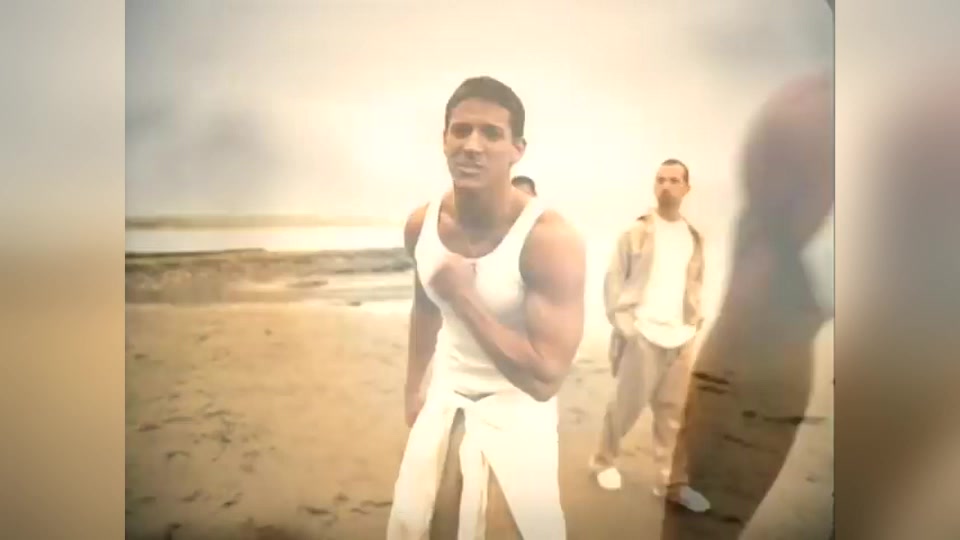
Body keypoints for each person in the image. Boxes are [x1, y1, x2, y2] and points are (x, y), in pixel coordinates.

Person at [386, 76, 586, 540]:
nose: (472, 146)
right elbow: (425, 306)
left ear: (518, 149)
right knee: (422, 524)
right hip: (446, 395)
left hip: (516, 410)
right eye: (461, 130)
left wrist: (465, 299)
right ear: (444, 140)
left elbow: (544, 379)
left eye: (491, 134)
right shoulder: (422, 224)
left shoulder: (548, 239)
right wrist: (414, 388)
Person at [589, 158, 712, 513]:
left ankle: (669, 483)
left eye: (674, 180)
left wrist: (694, 323)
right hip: (642, 333)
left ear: (687, 188)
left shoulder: (694, 237)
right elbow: (613, 281)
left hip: (681, 337)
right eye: (660, 180)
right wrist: (626, 327)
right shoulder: (637, 232)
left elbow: (696, 281)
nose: (666, 186)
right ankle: (603, 462)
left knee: (673, 417)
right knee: (625, 407)